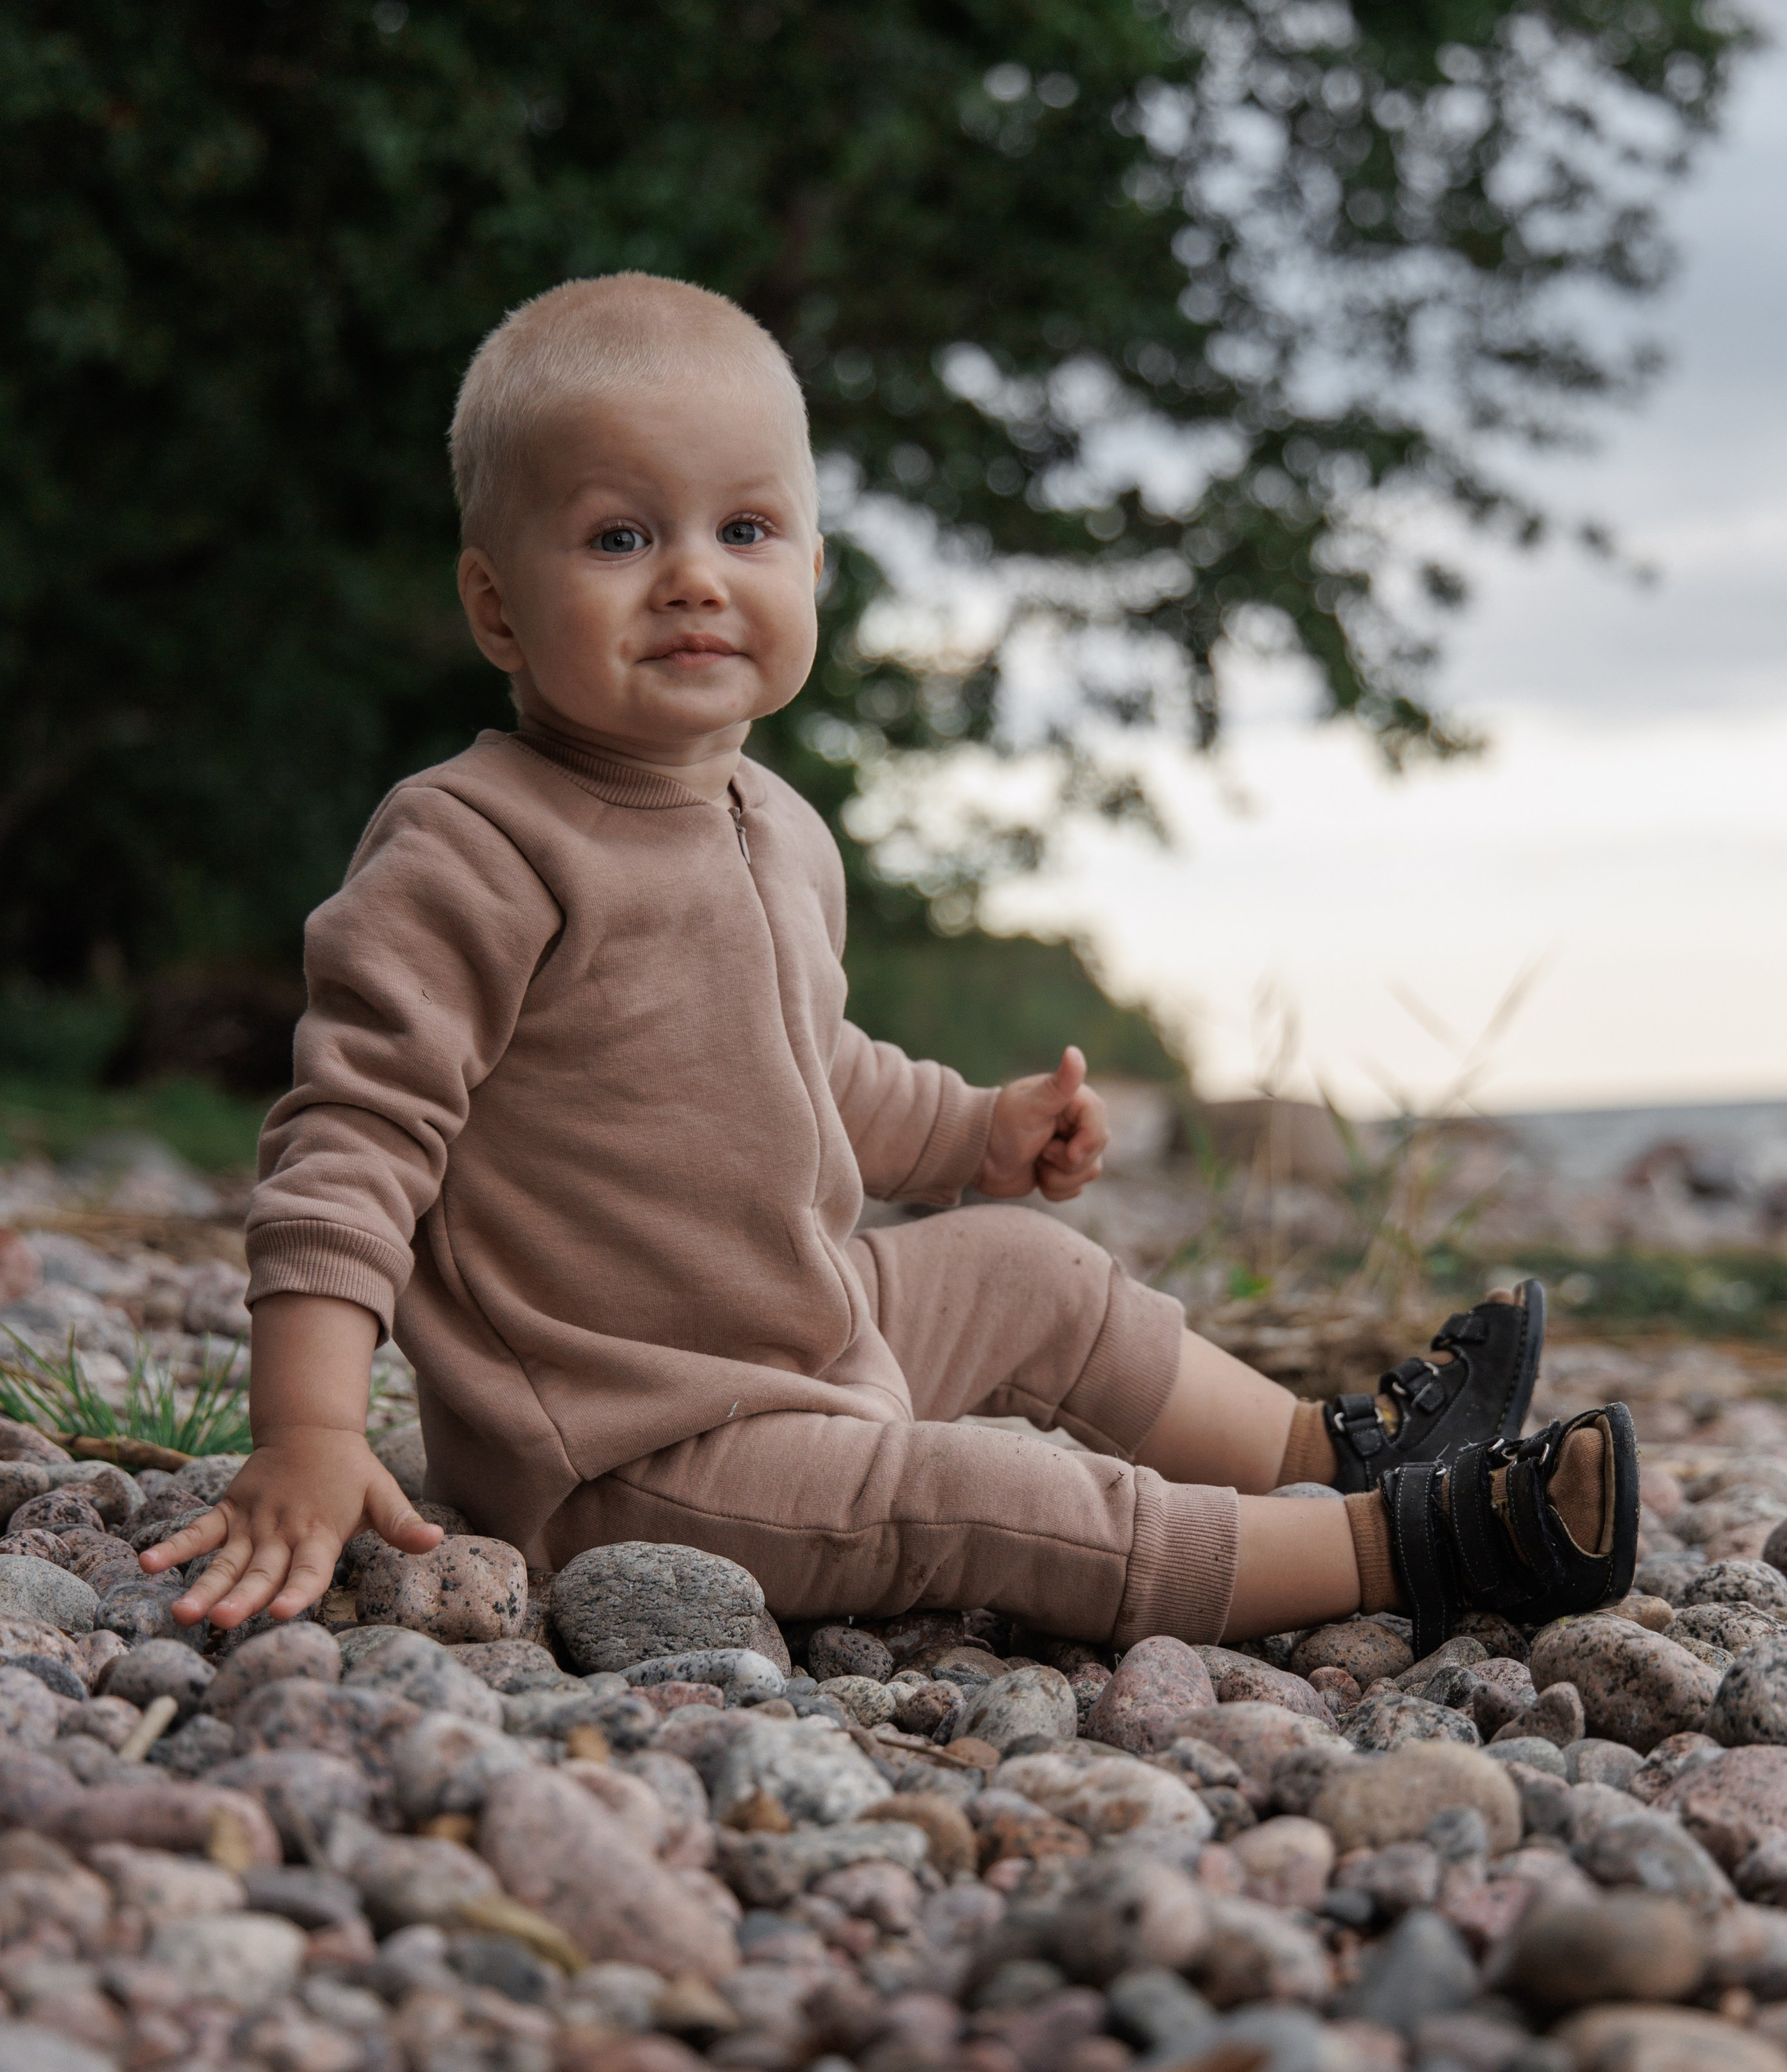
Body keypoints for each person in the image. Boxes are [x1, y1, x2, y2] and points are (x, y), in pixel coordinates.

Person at [141, 275, 1638, 1663]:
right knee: (990, 1493)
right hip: (637, 1448)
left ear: (812, 566)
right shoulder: (473, 844)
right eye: (616, 537)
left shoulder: (778, 826)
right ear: (493, 607)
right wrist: (309, 1434)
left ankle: (1337, 1455)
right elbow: (351, 1146)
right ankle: (1408, 1548)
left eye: (742, 531)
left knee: (1027, 1269)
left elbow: (810, 1072)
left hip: (809, 1322)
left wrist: (972, 1133)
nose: (688, 580)